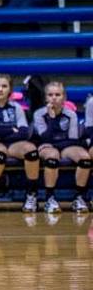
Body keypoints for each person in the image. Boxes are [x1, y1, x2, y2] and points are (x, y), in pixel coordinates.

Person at [0, 74, 40, 214]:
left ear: (10, 89)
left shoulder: (16, 107)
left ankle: (31, 194)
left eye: (4, 86)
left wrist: (0, 130)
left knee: (31, 151)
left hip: (13, 144)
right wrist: (12, 129)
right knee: (0, 153)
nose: (0, 89)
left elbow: (24, 132)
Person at [32, 82, 89, 214]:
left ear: (64, 97)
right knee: (52, 156)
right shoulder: (39, 114)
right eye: (50, 95)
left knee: (85, 158)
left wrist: (55, 145)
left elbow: (73, 140)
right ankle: (49, 198)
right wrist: (52, 119)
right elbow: (44, 138)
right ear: (46, 98)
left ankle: (79, 197)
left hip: (65, 146)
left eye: (58, 94)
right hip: (47, 147)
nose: (54, 98)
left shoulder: (71, 114)